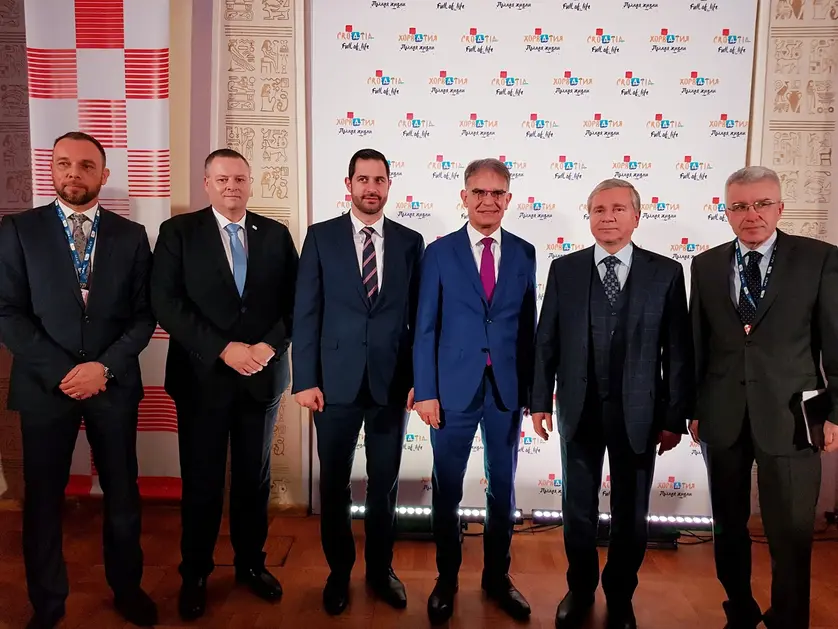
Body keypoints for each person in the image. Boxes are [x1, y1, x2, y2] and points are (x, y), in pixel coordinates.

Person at [0, 131, 157, 629]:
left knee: (122, 494)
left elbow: (144, 315)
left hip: (111, 385)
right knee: (43, 500)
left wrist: (103, 368)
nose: (74, 173)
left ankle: (127, 589)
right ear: (51, 170)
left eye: (87, 165)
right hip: (46, 387)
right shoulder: (18, 229)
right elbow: (7, 313)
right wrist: (65, 372)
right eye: (64, 163)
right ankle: (47, 603)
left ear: (104, 175)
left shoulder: (131, 236)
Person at [530, 179, 693, 629]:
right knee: (577, 510)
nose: (608, 217)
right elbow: (546, 341)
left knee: (631, 513)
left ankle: (620, 595)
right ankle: (580, 589)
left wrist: (673, 417)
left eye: (618, 209)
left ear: (636, 217)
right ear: (589, 216)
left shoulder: (666, 273)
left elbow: (678, 351)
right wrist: (539, 400)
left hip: (639, 415)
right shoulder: (565, 269)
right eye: (599, 209)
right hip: (579, 409)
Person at [151, 148, 299, 620]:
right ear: (207, 184)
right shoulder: (178, 233)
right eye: (222, 179)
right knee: (202, 479)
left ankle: (251, 565)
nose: (232, 186)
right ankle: (195, 572)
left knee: (254, 480)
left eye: (239, 178)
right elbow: (166, 303)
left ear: (250, 183)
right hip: (202, 378)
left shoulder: (275, 235)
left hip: (261, 376)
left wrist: (268, 346)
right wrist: (222, 348)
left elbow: (297, 302)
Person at [689, 165, 838, 629]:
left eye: (761, 204)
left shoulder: (819, 259)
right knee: (727, 527)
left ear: (779, 207)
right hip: (722, 417)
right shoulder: (706, 265)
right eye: (739, 206)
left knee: (790, 532)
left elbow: (835, 343)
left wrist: (836, 413)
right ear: (726, 211)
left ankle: (789, 617)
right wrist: (693, 409)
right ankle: (739, 608)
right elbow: (698, 346)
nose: (750, 214)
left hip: (791, 418)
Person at [292, 148, 424, 615]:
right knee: (333, 485)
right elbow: (306, 312)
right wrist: (305, 379)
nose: (371, 188)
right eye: (363, 179)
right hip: (332, 385)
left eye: (379, 180)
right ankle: (339, 572)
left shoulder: (410, 242)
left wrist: (420, 380)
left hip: (391, 383)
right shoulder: (320, 237)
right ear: (348, 184)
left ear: (389, 185)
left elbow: (419, 319)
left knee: (385, 484)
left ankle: (381, 570)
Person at [413, 158, 536, 625]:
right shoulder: (439, 252)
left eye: (497, 193)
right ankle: (446, 580)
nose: (488, 201)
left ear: (508, 199)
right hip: (450, 391)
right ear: (464, 197)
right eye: (479, 193)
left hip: (505, 391)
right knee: (447, 489)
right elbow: (425, 327)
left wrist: (534, 393)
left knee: (502, 490)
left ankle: (497, 578)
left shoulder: (524, 252)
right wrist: (426, 390)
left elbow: (528, 329)